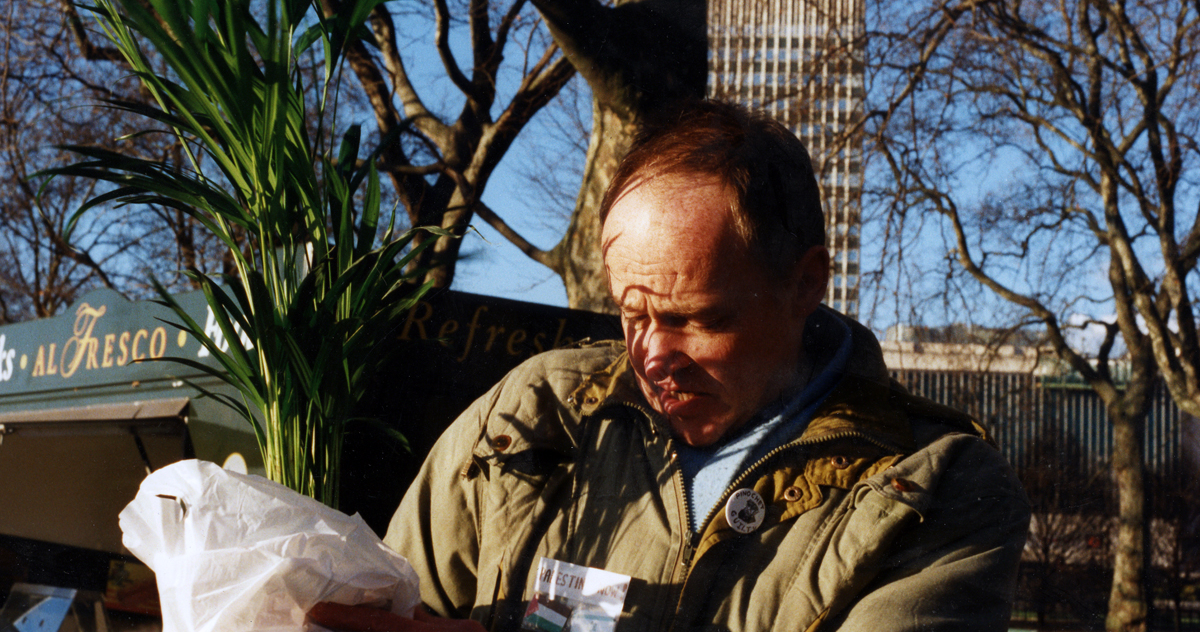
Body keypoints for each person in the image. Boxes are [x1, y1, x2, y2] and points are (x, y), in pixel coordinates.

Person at [312, 100, 1030, 632]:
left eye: (697, 319)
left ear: (805, 284)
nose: (653, 356)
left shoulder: (931, 488)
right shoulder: (533, 419)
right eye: (632, 314)